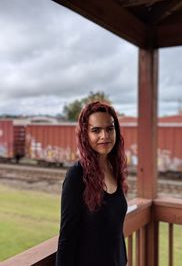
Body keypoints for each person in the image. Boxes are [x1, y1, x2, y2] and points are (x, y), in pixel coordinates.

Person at [56, 101, 128, 266]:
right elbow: (67, 237)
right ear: (85, 135)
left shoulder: (114, 168)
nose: (105, 136)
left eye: (110, 128)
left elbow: (116, 229)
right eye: (96, 130)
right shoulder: (76, 175)